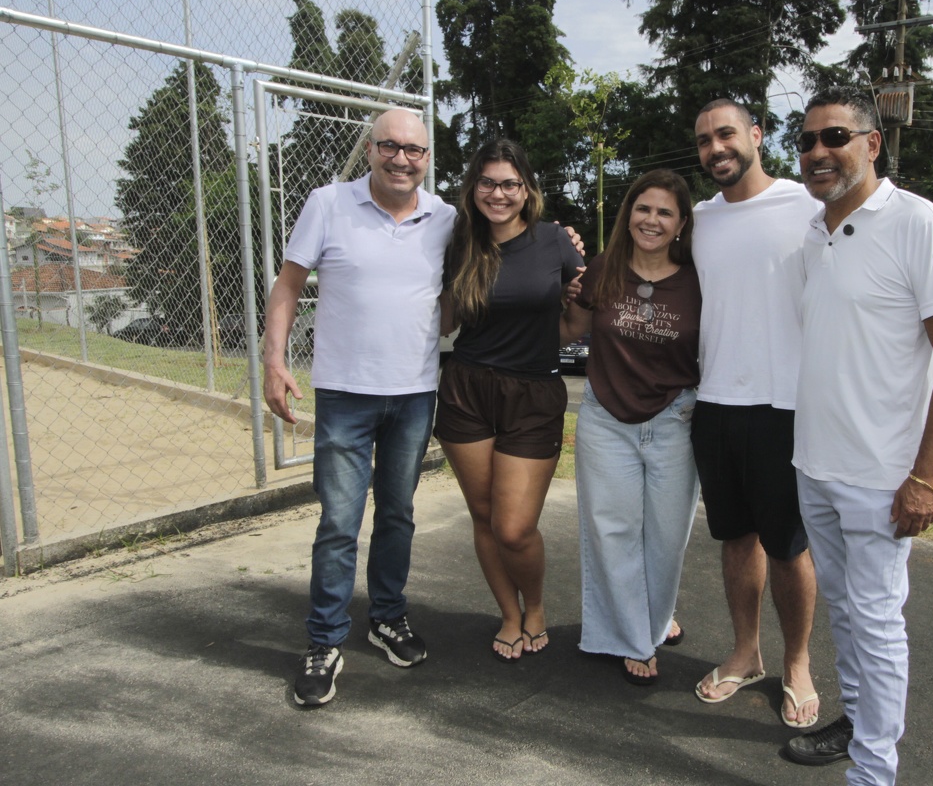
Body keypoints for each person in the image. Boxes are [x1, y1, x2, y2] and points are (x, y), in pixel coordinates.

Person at [687, 99, 933, 730]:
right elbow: (643, 254)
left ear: (757, 137)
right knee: (736, 540)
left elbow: (903, 253)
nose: (717, 148)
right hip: (717, 404)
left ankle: (797, 665)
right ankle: (746, 653)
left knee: (791, 550)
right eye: (705, 140)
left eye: (728, 134)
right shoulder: (699, 219)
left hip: (789, 410)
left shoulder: (810, 203)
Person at [783, 86, 933, 785]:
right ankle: (859, 724)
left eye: (834, 136)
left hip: (882, 480)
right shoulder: (814, 230)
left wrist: (926, 477)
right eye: (805, 141)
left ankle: (873, 774)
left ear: (872, 143)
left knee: (877, 625)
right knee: (845, 613)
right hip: (816, 467)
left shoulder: (920, 225)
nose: (816, 153)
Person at [263, 108, 454, 707]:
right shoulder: (327, 203)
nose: (402, 159)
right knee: (339, 523)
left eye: (414, 150)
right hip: (345, 394)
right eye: (389, 146)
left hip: (416, 393)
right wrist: (274, 361)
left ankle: (387, 617)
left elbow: (496, 248)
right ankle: (324, 640)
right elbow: (288, 285)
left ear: (427, 157)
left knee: (397, 514)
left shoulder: (445, 217)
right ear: (370, 149)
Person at [435, 138, 585, 663]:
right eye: (487, 183)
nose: (498, 194)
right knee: (483, 516)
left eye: (509, 184)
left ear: (527, 190)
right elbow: (447, 322)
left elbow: (580, 313)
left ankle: (536, 605)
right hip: (468, 388)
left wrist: (558, 327)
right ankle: (509, 613)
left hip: (534, 391)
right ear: (473, 187)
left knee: (515, 527)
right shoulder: (458, 242)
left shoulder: (555, 242)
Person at [561, 169, 700, 685]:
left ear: (682, 223)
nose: (652, 220)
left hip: (674, 419)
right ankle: (630, 636)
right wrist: (560, 292)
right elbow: (571, 328)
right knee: (612, 529)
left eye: (665, 212)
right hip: (605, 419)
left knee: (665, 536)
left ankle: (655, 619)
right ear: (629, 214)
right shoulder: (603, 268)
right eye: (644, 209)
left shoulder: (698, 278)